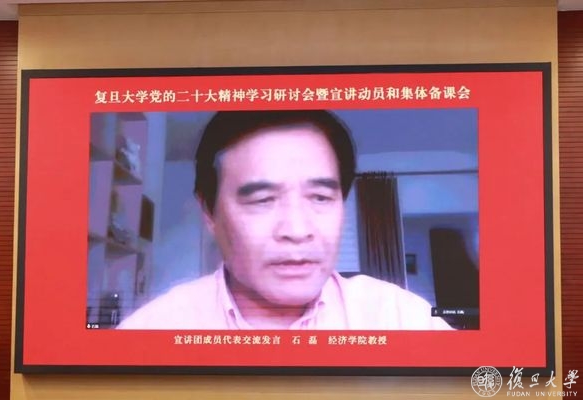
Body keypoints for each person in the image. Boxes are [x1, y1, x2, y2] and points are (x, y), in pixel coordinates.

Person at [118, 110, 452, 330]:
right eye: (263, 200)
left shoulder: (401, 319)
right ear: (209, 212)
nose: (297, 230)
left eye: (320, 197)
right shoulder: (154, 329)